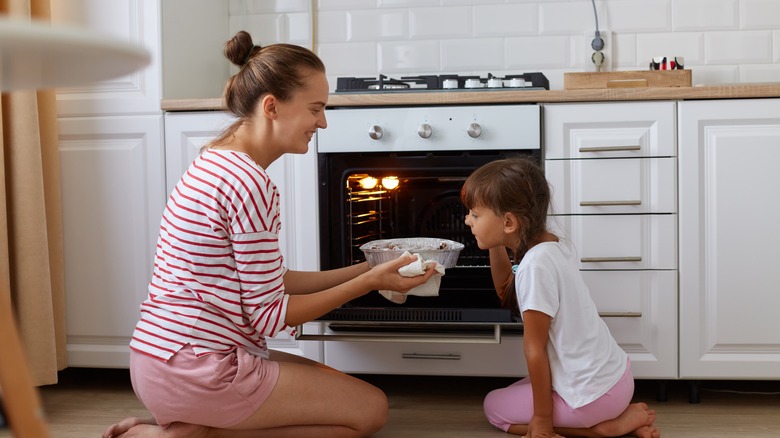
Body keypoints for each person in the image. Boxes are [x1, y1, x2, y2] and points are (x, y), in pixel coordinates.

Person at [102, 30, 438, 438]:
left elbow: (272, 282)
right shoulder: (250, 184)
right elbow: (270, 315)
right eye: (315, 109)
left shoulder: (214, 162)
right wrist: (368, 283)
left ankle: (186, 422)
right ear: (272, 106)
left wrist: (368, 270)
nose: (322, 122)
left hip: (157, 361)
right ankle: (180, 434)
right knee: (370, 411)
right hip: (200, 369)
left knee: (338, 389)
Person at [460, 157, 660, 438]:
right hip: (617, 379)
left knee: (494, 405)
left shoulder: (535, 266)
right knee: (515, 391)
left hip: (595, 397)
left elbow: (535, 349)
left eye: (475, 214)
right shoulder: (550, 245)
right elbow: (507, 289)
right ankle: (611, 415)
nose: (467, 220)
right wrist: (495, 242)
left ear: (508, 222)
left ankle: (607, 428)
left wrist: (542, 419)